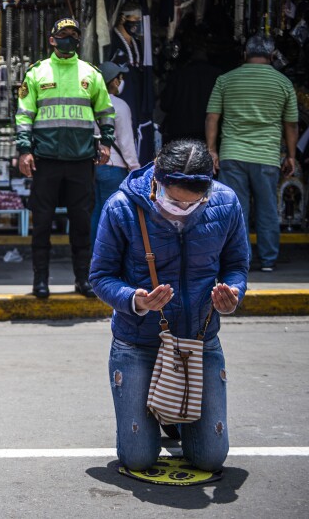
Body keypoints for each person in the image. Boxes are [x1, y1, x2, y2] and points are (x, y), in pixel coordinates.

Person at [90, 139, 249, 472]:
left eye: (193, 205)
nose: (181, 210)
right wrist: (135, 300)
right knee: (137, 458)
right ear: (156, 181)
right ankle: (160, 411)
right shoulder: (121, 207)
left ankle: (173, 412)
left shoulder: (227, 202)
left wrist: (232, 294)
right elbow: (101, 276)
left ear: (208, 189)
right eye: (173, 201)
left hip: (199, 340)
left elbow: (236, 264)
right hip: (137, 343)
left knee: (209, 457)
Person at [15, 17, 116, 298]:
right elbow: (24, 115)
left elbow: (106, 111)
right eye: (63, 35)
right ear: (52, 39)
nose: (68, 40)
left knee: (81, 224)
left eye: (73, 35)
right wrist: (24, 150)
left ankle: (83, 280)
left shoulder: (90, 73)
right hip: (45, 159)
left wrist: (106, 142)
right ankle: (40, 281)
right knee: (42, 224)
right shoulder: (37, 73)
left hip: (81, 160)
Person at [206, 34, 299, 273]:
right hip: (266, 156)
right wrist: (291, 155)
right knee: (267, 209)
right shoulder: (283, 83)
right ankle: (268, 260)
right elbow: (291, 124)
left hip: (232, 154)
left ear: (245, 55)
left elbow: (212, 117)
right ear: (271, 56)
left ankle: (240, 261)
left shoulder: (225, 80)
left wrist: (211, 150)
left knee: (236, 209)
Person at [91, 62, 141, 244]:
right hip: (114, 167)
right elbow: (126, 141)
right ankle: (108, 259)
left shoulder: (90, 103)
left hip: (94, 166)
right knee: (112, 215)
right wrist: (135, 169)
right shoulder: (119, 105)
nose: (121, 81)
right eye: (119, 78)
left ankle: (93, 258)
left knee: (96, 212)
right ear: (112, 81)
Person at [159, 36, 222, 144]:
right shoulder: (218, 76)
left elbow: (165, 104)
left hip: (179, 134)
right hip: (207, 134)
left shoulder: (178, 75)